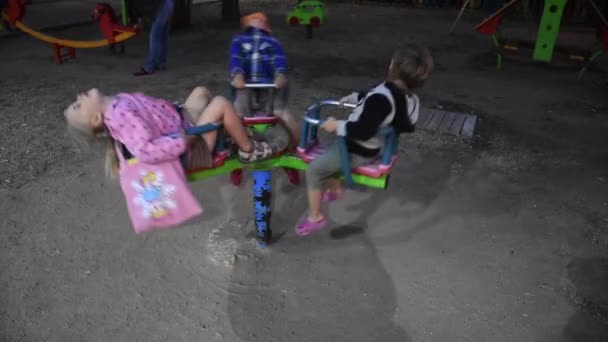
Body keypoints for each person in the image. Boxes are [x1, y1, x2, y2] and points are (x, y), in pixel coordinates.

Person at [295, 45, 434, 236]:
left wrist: (337, 125)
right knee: (330, 153)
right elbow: (373, 97)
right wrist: (354, 97)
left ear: (393, 65)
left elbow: (363, 129)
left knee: (315, 169)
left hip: (357, 148)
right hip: (370, 146)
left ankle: (315, 216)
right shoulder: (407, 97)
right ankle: (335, 190)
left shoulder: (383, 100)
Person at [64, 86, 276, 178]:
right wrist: (183, 142)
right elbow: (146, 150)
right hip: (189, 149)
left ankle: (231, 134)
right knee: (220, 103)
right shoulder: (120, 117)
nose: (77, 97)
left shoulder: (117, 105)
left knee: (201, 92)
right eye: (77, 106)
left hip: (180, 122)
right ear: (95, 119)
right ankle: (248, 149)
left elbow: (149, 114)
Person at [229, 12, 299, 144]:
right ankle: (235, 143)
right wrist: (237, 73)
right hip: (245, 87)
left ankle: (297, 145)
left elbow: (279, 59)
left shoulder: (273, 41)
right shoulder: (238, 40)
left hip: (269, 89)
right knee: (236, 115)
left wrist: (280, 74)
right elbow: (235, 58)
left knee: (284, 114)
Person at [132, 0, 175, 76]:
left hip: (162, 5)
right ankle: (161, 63)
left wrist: (139, 21)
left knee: (155, 36)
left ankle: (149, 66)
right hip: (169, 3)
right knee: (163, 35)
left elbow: (139, 8)